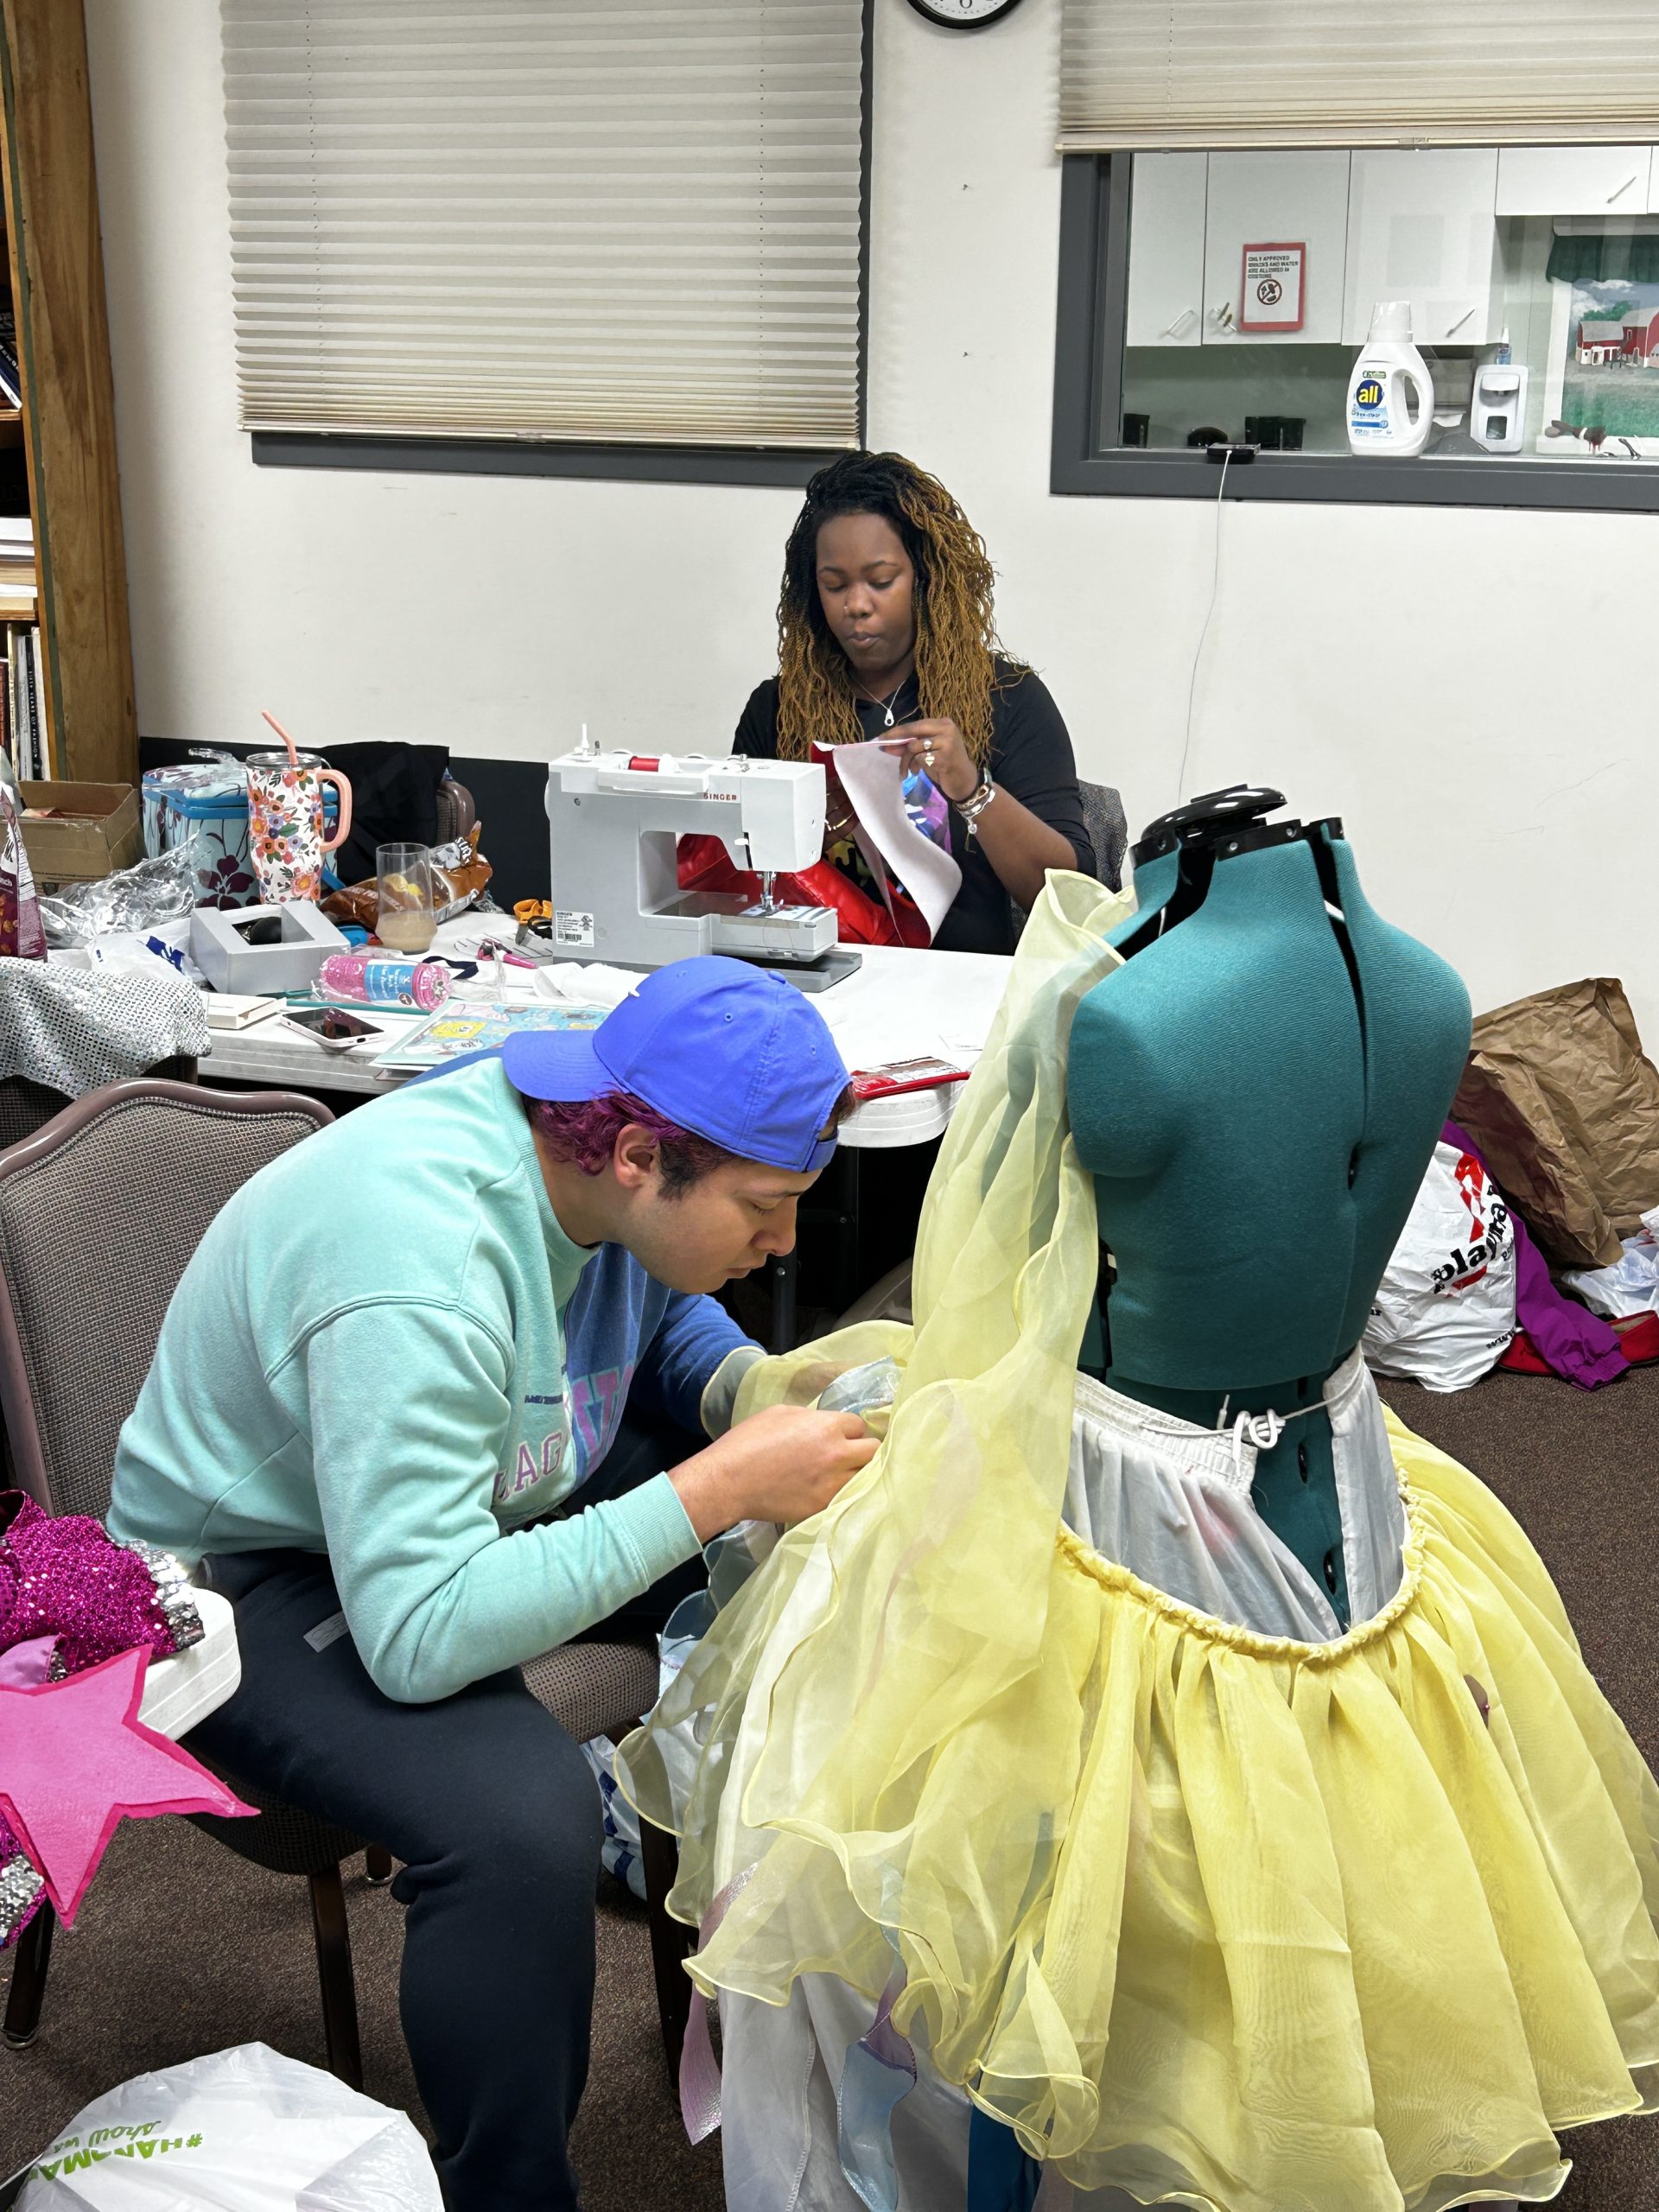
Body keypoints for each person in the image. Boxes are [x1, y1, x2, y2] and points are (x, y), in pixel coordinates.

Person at [106, 957, 879, 2212]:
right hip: (232, 1577)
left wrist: (748, 1395)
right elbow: (413, 1633)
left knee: (820, 1543)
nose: (787, 1241)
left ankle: (784, 2010)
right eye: (766, 1206)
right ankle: (512, 2194)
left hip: (461, 1478)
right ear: (638, 1153)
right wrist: (715, 1488)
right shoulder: (421, 1263)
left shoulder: (598, 1142)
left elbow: (654, 1296)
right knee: (519, 1823)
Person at [733, 449, 1095, 955]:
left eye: (881, 581)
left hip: (961, 988)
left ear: (926, 580)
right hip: (820, 979)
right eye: (834, 585)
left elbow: (1068, 897)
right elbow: (735, 874)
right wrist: (813, 825)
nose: (856, 605)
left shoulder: (1007, 697)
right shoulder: (778, 709)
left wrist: (971, 789)